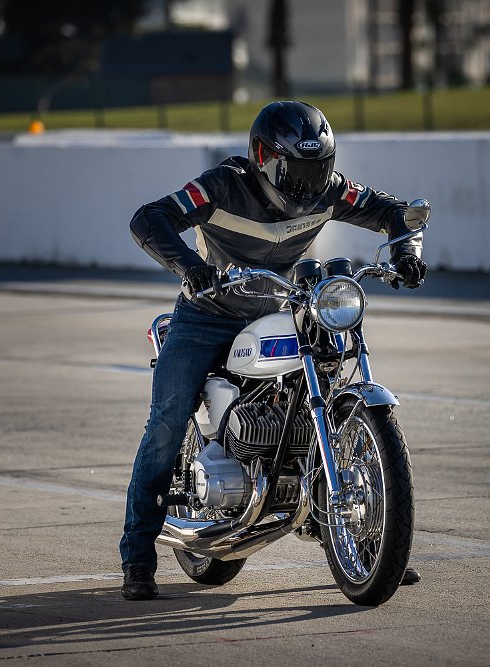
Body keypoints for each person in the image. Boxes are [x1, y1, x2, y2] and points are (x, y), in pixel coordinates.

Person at [121, 100, 427, 601]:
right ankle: (137, 556)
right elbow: (149, 218)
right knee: (167, 422)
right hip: (207, 313)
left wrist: (406, 252)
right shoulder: (222, 185)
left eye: (318, 167)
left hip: (282, 306)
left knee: (325, 385)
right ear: (264, 158)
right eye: (297, 169)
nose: (310, 183)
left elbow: (392, 211)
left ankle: (379, 546)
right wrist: (189, 269)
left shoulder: (328, 190)